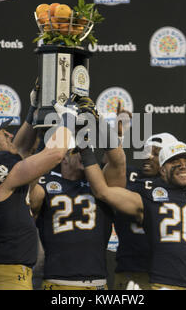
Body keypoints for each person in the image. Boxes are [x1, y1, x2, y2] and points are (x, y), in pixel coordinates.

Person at [81, 140, 186, 290]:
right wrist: (85, 148)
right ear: (162, 170)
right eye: (176, 162)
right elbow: (102, 192)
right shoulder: (149, 197)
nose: (183, 166)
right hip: (163, 285)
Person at [0, 92, 77, 290]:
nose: (10, 134)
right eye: (3, 133)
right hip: (7, 280)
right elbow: (55, 154)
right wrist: (68, 118)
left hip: (3, 275)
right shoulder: (0, 172)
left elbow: (20, 149)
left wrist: (33, 111)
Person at [29, 96, 126, 290]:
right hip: (57, 284)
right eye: (77, 150)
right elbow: (29, 197)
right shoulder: (46, 183)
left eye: (87, 148)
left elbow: (118, 161)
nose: (84, 152)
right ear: (63, 157)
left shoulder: (103, 184)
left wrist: (96, 121)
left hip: (98, 284)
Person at [113, 132, 177, 290]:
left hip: (164, 272)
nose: (148, 156)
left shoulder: (177, 187)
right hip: (130, 268)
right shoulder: (129, 175)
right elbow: (109, 168)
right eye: (146, 151)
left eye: (156, 153)